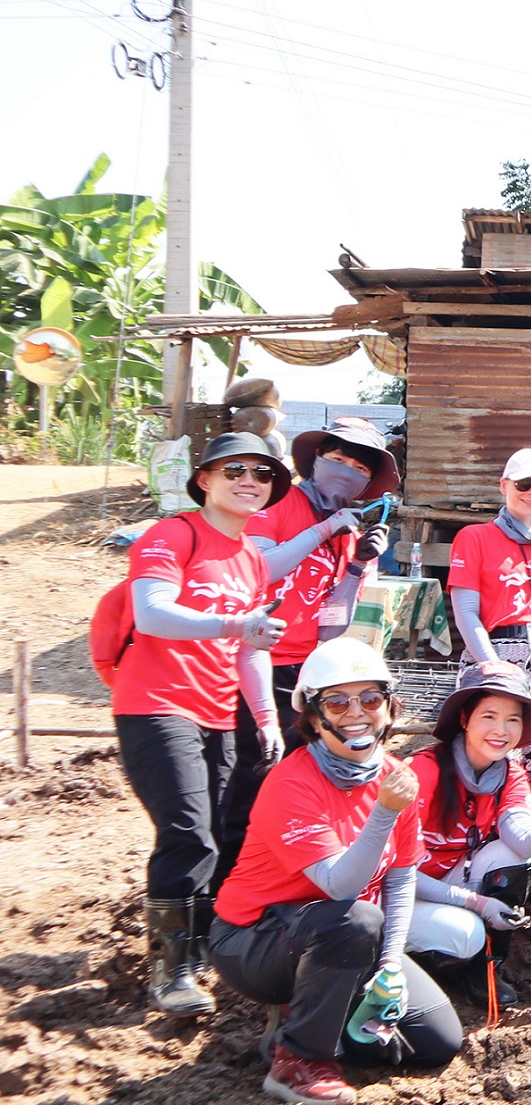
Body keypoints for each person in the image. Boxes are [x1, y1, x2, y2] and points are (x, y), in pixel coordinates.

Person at [208, 641, 463, 1105]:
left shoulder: (391, 773)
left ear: (388, 707)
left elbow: (402, 877)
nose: (356, 713)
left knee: (437, 1041)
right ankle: (298, 1059)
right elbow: (341, 887)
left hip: (333, 935)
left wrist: (388, 965)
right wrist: (383, 813)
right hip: (254, 941)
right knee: (356, 918)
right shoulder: (292, 782)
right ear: (313, 715)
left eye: (370, 698)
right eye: (337, 701)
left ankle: (328, 1014)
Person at [113, 432, 285, 1017]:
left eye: (262, 474)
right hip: (156, 703)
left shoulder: (254, 558)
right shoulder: (171, 534)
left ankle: (204, 943)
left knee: (215, 830)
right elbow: (153, 614)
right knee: (188, 830)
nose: (249, 481)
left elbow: (252, 644)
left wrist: (264, 715)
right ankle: (171, 968)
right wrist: (235, 626)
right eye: (234, 468)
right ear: (204, 479)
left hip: (218, 709)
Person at [403, 659, 531, 1014]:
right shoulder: (423, 771)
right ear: (464, 719)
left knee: (516, 860)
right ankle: (417, 965)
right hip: (401, 894)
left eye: (513, 719)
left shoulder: (510, 773)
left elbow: (526, 843)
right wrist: (476, 903)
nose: (501, 730)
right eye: (489, 716)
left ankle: (485, 968)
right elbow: (396, 874)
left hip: (452, 880)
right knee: (465, 934)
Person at [249, 416, 397, 738]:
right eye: (338, 460)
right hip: (251, 657)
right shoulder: (278, 500)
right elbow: (259, 570)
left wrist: (357, 566)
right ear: (316, 459)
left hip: (302, 669)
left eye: (359, 469)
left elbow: (330, 628)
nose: (346, 472)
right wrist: (323, 530)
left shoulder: (349, 536)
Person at [447, 449, 531, 733]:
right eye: (523, 484)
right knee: (491, 743)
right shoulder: (474, 537)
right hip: (495, 655)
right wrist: (491, 666)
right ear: (504, 485)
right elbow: (465, 610)